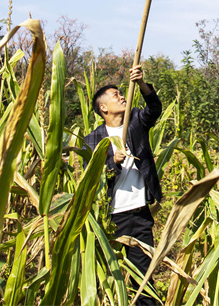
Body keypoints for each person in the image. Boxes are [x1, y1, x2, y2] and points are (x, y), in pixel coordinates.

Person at [84, 64, 162, 306]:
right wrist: (112, 162)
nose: (121, 95)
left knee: (143, 275)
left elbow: (154, 109)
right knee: (108, 274)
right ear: (103, 108)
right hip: (110, 217)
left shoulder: (136, 121)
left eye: (121, 92)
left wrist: (140, 83)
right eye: (115, 95)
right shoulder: (93, 140)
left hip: (139, 212)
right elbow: (92, 181)